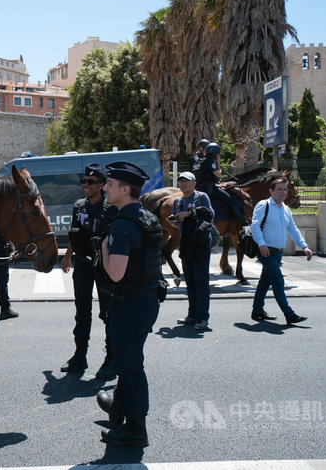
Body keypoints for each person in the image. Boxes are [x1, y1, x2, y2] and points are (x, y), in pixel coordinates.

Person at [94, 161, 162, 448]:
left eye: (109, 184)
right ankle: (118, 406)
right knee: (127, 360)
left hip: (129, 304)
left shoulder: (122, 224)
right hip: (146, 301)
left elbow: (116, 273)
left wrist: (104, 247)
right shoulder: (147, 218)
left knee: (131, 366)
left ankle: (136, 428)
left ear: (125, 189)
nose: (104, 187)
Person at [60, 163, 117, 378]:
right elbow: (76, 234)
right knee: (82, 313)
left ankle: (111, 359)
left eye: (90, 182)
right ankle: (79, 356)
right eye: (83, 181)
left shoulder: (111, 207)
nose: (85, 185)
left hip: (104, 267)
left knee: (108, 314)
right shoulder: (79, 206)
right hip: (83, 265)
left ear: (102, 185)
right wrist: (67, 256)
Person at [250, 176, 312, 324]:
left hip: (278, 252)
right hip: (266, 250)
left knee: (265, 282)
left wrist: (304, 246)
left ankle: (257, 311)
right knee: (278, 280)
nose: (283, 192)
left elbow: (292, 229)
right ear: (271, 191)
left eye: (285, 189)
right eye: (279, 190)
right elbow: (254, 225)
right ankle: (289, 314)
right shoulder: (263, 205)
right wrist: (261, 244)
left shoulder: (285, 209)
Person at [169, 171, 214, 330]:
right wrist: (175, 221)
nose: (184, 184)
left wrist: (188, 214)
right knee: (190, 281)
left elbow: (210, 215)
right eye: (181, 181)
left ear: (194, 183)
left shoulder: (201, 197)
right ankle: (192, 314)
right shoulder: (178, 201)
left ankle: (202, 317)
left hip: (201, 243)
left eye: (187, 181)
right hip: (186, 243)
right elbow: (178, 224)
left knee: (201, 281)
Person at [194, 142, 248, 226]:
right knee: (231, 202)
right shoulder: (210, 162)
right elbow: (218, 174)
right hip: (210, 188)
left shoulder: (199, 161)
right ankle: (244, 225)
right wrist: (218, 163)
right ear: (215, 154)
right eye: (218, 154)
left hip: (198, 187)